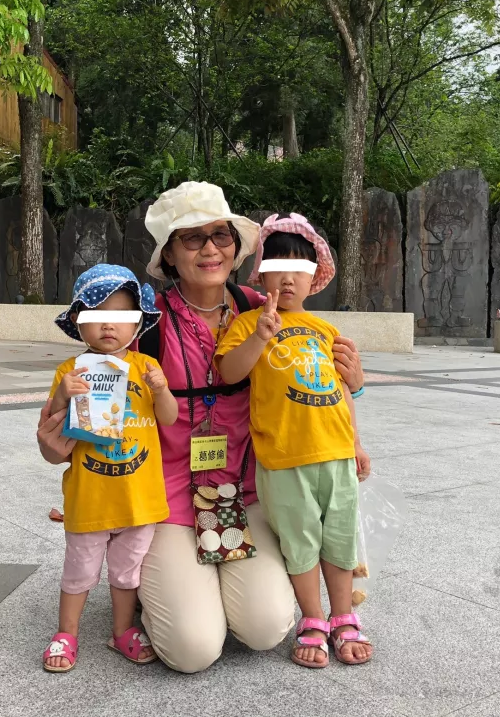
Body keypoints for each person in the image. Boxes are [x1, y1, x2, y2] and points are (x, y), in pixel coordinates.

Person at [124, 181, 368, 674]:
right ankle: (161, 592)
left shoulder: (264, 305)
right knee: (193, 649)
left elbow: (316, 381)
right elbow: (112, 402)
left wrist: (355, 383)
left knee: (265, 627)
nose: (210, 249)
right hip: (171, 497)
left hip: (249, 490)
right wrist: (85, 475)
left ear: (236, 247)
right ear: (168, 253)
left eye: (221, 235)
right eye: (192, 238)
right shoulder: (147, 323)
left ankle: (217, 586)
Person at [216, 213, 372, 669]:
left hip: (336, 454)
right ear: (261, 276)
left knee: (339, 540)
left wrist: (356, 442)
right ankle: (314, 618)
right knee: (300, 542)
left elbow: (343, 390)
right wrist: (258, 338)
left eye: (299, 269)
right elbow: (229, 372)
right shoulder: (248, 324)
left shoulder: (326, 331)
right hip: (284, 459)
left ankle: (344, 617)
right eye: (277, 267)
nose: (287, 278)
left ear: (313, 278)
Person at [40, 265, 178, 673]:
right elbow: (51, 431)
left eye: (121, 316)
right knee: (78, 571)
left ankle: (122, 630)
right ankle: (66, 632)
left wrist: (161, 390)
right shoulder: (71, 371)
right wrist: (63, 396)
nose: (108, 325)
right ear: (78, 322)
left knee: (127, 574)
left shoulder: (146, 367)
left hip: (139, 498)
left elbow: (169, 418)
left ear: (138, 323)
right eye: (97, 315)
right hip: (90, 496)